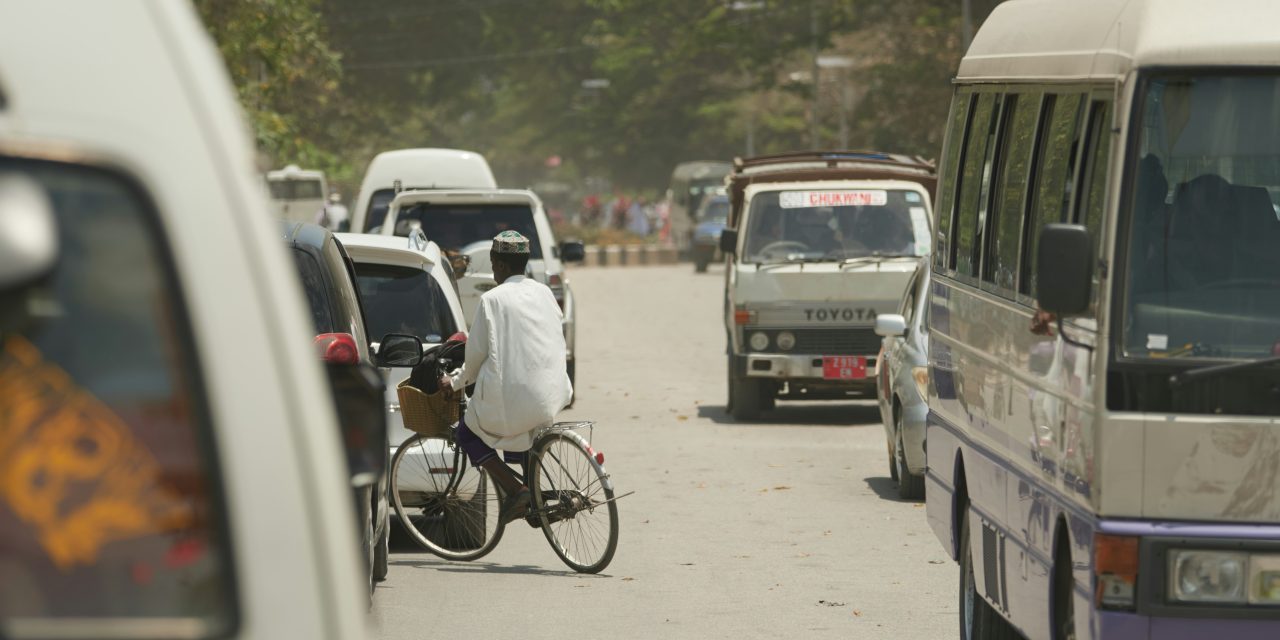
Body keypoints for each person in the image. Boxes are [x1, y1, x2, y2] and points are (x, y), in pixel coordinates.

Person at [438, 230, 574, 522]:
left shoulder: (492, 300)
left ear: (497, 264)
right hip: (552, 395)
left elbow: (473, 359)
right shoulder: (544, 292)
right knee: (524, 428)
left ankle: (516, 490)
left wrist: (456, 382)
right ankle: (536, 501)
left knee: (466, 432)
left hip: (515, 401)